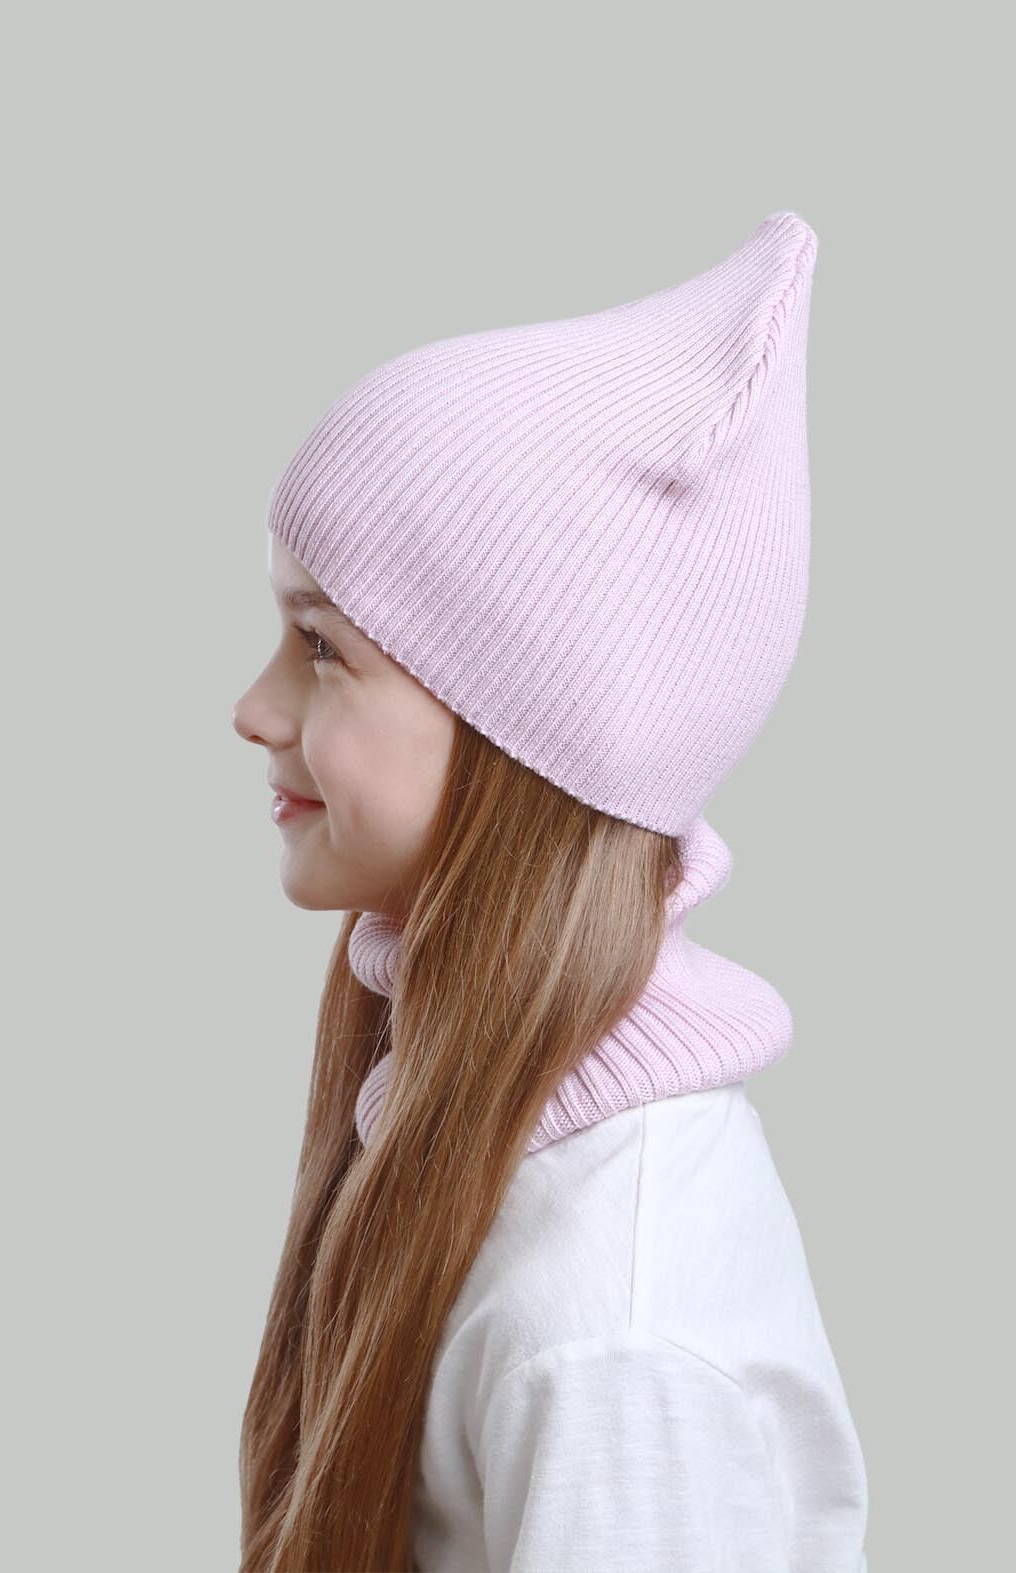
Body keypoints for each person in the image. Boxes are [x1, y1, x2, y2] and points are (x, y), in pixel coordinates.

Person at [231, 209, 869, 1573]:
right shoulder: (474, 1139)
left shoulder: (613, 1332)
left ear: (522, 730)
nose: (253, 708)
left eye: (321, 647)